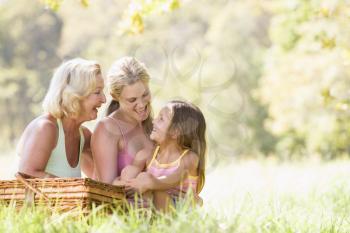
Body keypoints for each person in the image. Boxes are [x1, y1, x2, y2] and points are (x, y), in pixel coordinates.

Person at [17, 58, 106, 178]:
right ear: (75, 95)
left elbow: (101, 179)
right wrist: (74, 189)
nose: (104, 99)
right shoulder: (45, 128)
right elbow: (26, 174)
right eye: (97, 92)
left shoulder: (84, 136)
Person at [118, 100, 206, 211]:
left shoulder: (190, 158)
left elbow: (171, 180)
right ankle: (146, 219)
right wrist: (126, 181)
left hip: (182, 208)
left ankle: (154, 221)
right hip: (154, 203)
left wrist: (149, 182)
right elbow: (128, 181)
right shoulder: (146, 155)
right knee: (136, 177)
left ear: (175, 131)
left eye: (161, 119)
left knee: (155, 190)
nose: (154, 121)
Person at [91, 57, 154, 184]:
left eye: (145, 95)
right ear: (115, 96)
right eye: (132, 100)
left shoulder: (154, 125)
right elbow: (107, 190)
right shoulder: (107, 129)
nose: (141, 105)